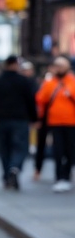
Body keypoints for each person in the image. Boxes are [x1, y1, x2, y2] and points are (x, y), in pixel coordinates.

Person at [0, 55, 38, 190]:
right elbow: (31, 101)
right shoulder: (24, 81)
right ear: (15, 65)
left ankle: (7, 176)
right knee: (21, 147)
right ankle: (14, 168)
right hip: (20, 119)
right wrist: (34, 118)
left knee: (5, 148)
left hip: (2, 120)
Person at [36, 55, 75, 192]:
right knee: (58, 150)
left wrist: (69, 93)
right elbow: (40, 99)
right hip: (55, 122)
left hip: (71, 122)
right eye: (57, 66)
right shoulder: (49, 82)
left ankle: (66, 175)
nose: (59, 68)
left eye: (61, 66)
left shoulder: (72, 81)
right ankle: (59, 177)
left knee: (70, 151)